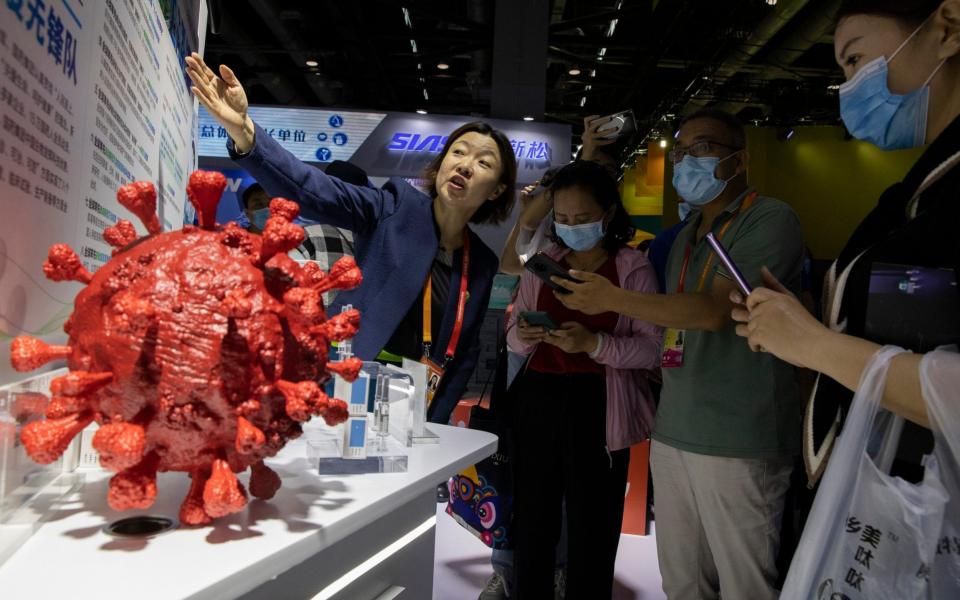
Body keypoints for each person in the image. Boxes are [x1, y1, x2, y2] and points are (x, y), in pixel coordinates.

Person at [551, 108, 805, 599]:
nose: (688, 160)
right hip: (675, 430)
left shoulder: (769, 219)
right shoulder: (683, 236)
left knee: (745, 583)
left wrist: (612, 299)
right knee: (682, 581)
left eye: (703, 147)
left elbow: (716, 311)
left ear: (740, 158)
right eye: (682, 150)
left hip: (740, 437)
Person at [185, 53, 517, 426]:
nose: (466, 165)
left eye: (484, 162)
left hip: (414, 410)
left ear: (496, 191)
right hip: (346, 384)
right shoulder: (395, 207)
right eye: (458, 152)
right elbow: (312, 189)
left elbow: (464, 355)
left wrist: (436, 424)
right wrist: (246, 134)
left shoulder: (482, 263)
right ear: (440, 166)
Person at [731, 0, 960, 483]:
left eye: (855, 60)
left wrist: (815, 345)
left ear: (948, 28)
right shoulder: (915, 192)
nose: (849, 88)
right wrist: (812, 321)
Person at [505, 160, 661, 599]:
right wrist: (525, 334)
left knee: (594, 525)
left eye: (584, 218)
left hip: (601, 407)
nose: (572, 227)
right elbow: (514, 331)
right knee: (533, 519)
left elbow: (653, 349)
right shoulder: (545, 262)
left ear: (608, 214)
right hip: (538, 397)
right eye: (564, 218)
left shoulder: (632, 270)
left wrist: (595, 344)